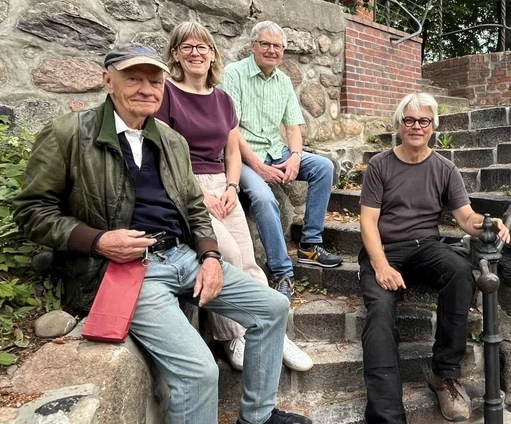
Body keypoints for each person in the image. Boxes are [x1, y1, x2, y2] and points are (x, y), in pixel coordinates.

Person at [13, 44, 311, 424]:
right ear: (108, 80)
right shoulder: (68, 133)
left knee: (273, 307)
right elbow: (31, 211)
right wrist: (98, 241)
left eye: (154, 81)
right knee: (200, 371)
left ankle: (258, 416)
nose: (146, 88)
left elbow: (194, 207)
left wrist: (210, 256)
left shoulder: (171, 140)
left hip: (182, 257)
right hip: (124, 270)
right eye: (132, 78)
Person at [156, 22, 312, 373]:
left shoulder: (222, 99)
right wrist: (200, 194)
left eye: (203, 47)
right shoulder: (166, 94)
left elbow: (231, 153)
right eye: (187, 47)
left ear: (213, 55)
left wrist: (229, 187)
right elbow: (167, 155)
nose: (196, 53)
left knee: (247, 258)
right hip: (186, 186)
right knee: (224, 255)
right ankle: (234, 336)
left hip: (222, 183)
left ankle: (273, 330)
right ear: (176, 55)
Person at [358, 93, 511, 423]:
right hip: (384, 249)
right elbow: (368, 221)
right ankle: (387, 416)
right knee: (380, 314)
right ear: (399, 125)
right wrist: (381, 265)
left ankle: (445, 374)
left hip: (424, 247)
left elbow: (465, 217)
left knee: (459, 272)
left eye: (423, 121)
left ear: (433, 126)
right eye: (409, 121)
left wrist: (488, 223)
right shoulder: (379, 165)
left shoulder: (445, 168)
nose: (416, 127)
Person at [221, 21, 342, 300]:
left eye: (277, 46)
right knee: (263, 198)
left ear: (283, 51)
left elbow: (293, 128)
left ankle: (310, 245)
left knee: (323, 166)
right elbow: (231, 128)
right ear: (253, 46)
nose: (272, 50)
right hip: (244, 156)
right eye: (265, 44)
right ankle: (281, 272)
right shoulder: (234, 74)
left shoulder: (284, 80)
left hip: (278, 151)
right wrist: (258, 166)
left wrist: (296, 157)